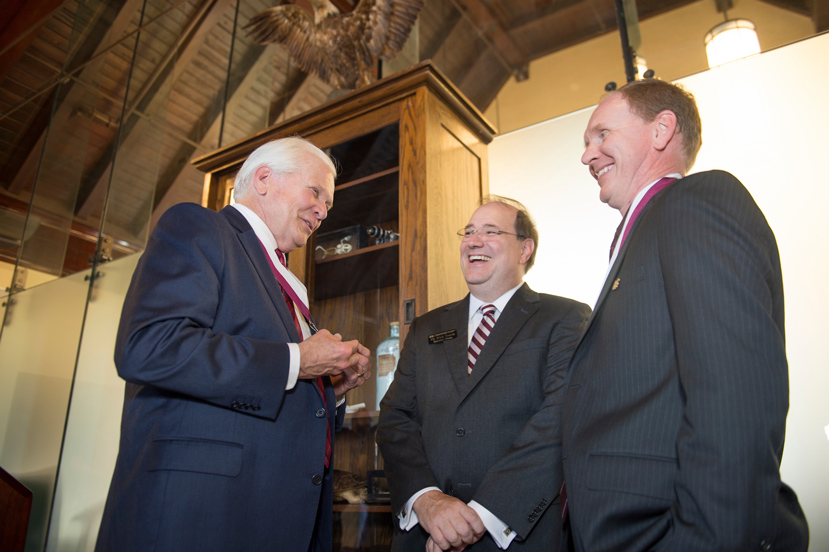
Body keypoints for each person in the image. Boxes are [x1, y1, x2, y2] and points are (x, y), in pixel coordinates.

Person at [561, 79, 809, 551]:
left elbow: (734, 399)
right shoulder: (644, 235)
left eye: (601, 135)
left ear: (662, 130)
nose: (587, 155)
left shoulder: (697, 202)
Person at [95, 137, 372, 552]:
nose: (322, 211)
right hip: (199, 519)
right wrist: (298, 359)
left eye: (329, 206)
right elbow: (150, 345)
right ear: (263, 179)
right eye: (315, 193)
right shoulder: (199, 227)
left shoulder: (285, 280)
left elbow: (273, 398)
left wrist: (328, 389)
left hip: (273, 520)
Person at [376, 196, 591, 552]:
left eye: (491, 231)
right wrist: (428, 501)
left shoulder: (564, 318)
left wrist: (482, 515)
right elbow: (395, 418)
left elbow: (560, 417)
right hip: (424, 535)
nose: (474, 241)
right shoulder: (427, 327)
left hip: (515, 534)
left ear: (525, 249)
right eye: (469, 232)